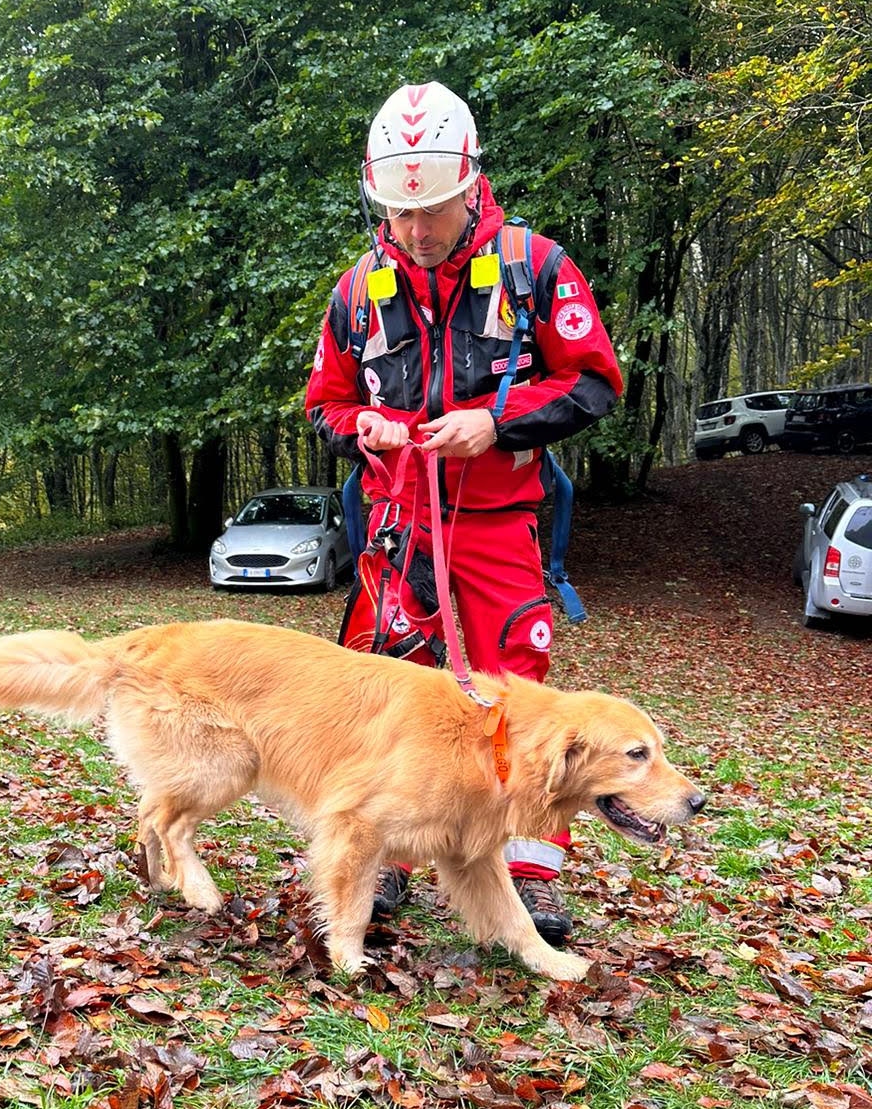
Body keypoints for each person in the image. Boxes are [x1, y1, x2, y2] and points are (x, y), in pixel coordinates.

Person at [305, 81, 623, 946]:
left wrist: (497, 422)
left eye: (433, 211)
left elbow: (595, 381)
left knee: (516, 701)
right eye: (400, 215)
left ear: (470, 182)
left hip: (494, 529)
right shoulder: (359, 291)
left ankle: (525, 879)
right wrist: (358, 429)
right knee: (380, 697)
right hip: (396, 528)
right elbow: (323, 403)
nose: (415, 231)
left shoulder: (534, 266)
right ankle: (391, 855)